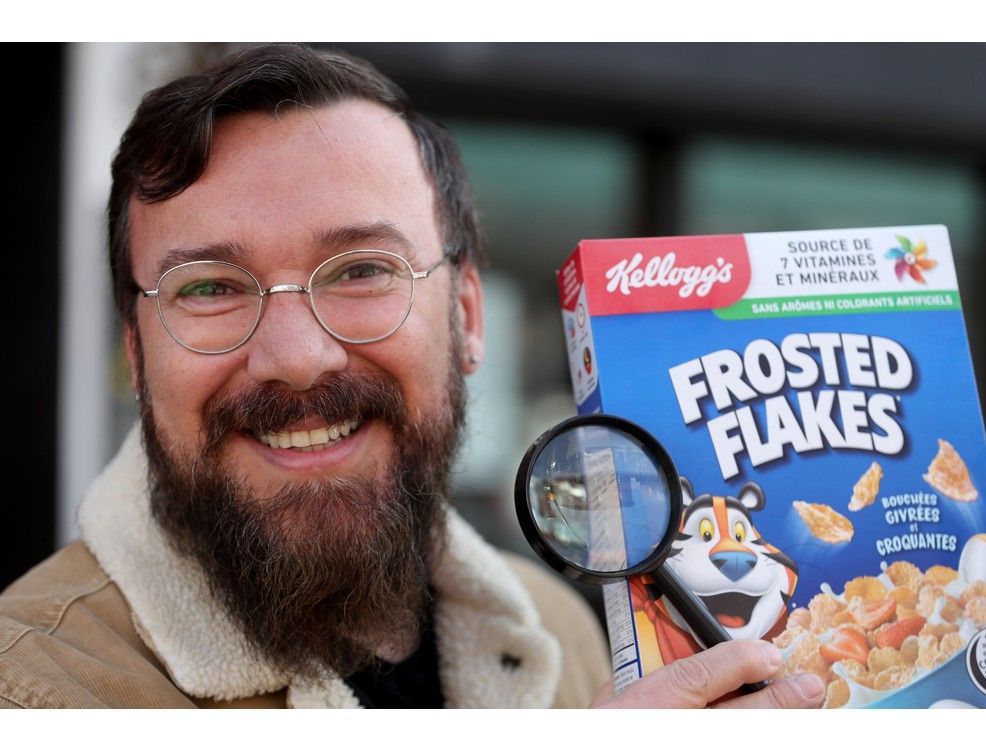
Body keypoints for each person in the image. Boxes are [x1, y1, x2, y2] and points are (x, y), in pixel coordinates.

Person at [0, 44, 824, 709]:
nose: (296, 355)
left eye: (361, 270)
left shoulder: (566, 640)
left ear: (467, 317)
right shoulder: (34, 688)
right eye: (209, 287)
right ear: (138, 354)